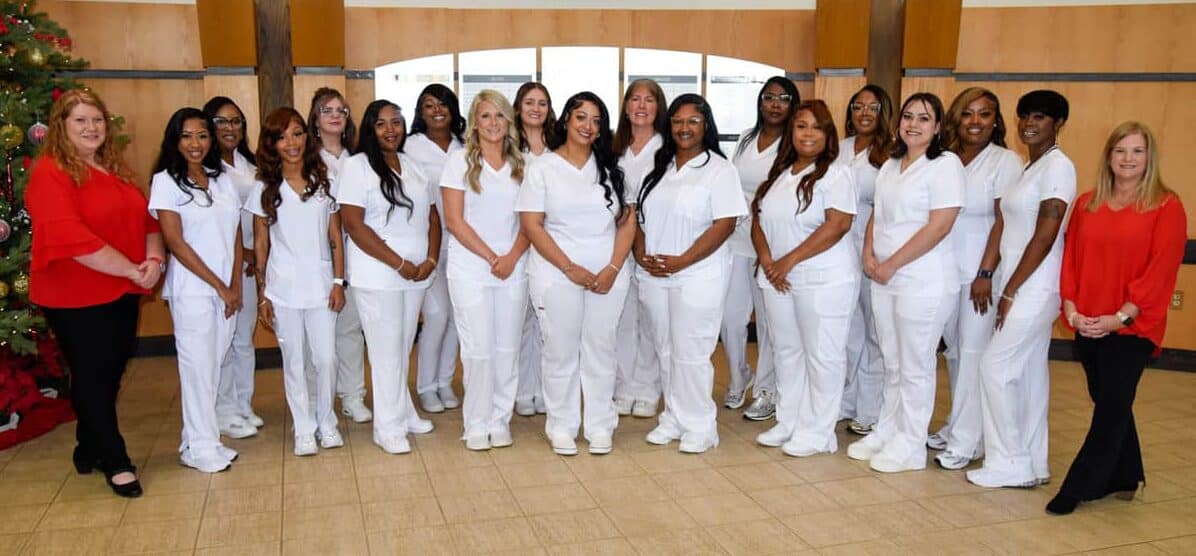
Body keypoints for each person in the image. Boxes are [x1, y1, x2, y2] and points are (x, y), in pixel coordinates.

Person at [27, 89, 163, 497]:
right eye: (80, 121)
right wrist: (131, 270)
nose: (91, 128)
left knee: (111, 370)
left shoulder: (113, 170)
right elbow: (70, 237)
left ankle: (88, 444)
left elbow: (149, 223)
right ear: (61, 127)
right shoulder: (51, 172)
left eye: (97, 120)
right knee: (92, 374)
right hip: (76, 294)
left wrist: (152, 263)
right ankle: (115, 459)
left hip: (123, 288)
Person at [1047, 121, 1186, 515]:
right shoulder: (1088, 203)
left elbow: (1161, 270)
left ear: (1149, 158)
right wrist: (1071, 308)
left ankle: (1078, 487)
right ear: (1109, 156)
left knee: (1110, 407)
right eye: (1121, 151)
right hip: (1087, 319)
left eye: (1137, 151)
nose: (1128, 159)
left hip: (1132, 326)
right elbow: (1070, 259)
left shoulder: (1166, 206)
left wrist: (1121, 317)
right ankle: (1127, 474)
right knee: (1110, 400)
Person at [846, 92, 965, 473]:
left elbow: (940, 225)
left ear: (938, 127)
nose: (913, 124)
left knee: (915, 365)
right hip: (885, 276)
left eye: (924, 118)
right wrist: (869, 256)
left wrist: (892, 263)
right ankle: (888, 429)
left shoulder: (946, 165)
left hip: (922, 280)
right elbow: (876, 217)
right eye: (908, 116)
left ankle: (911, 444)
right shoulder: (891, 164)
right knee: (893, 360)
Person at [968, 89, 1076, 489]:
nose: (1029, 124)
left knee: (994, 366)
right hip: (1019, 282)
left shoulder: (1058, 168)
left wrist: (1010, 290)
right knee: (1029, 373)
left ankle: (1008, 460)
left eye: (1040, 118)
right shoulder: (1032, 168)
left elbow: (1045, 236)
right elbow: (1010, 228)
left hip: (1034, 286)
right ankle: (1033, 460)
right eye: (1024, 116)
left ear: (1058, 124)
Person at [516, 92, 634, 456]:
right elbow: (532, 225)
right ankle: (562, 426)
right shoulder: (542, 168)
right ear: (566, 119)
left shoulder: (612, 168)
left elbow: (628, 223)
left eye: (596, 120)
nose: (588, 126)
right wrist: (570, 268)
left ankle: (600, 425)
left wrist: (613, 268)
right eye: (581, 117)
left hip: (608, 275)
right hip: (557, 274)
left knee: (601, 347)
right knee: (560, 350)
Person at [636, 94, 747, 454]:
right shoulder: (662, 166)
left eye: (693, 121)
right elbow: (640, 217)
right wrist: (641, 255)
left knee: (692, 351)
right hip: (655, 275)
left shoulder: (719, 169)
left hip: (698, 275)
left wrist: (683, 260)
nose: (684, 128)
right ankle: (674, 417)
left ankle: (701, 425)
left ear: (706, 126)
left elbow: (725, 223)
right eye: (678, 121)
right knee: (666, 348)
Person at [753, 100, 857, 457]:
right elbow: (758, 218)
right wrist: (768, 260)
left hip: (823, 279)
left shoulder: (836, 173)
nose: (807, 133)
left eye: (816, 126)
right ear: (791, 132)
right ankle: (789, 420)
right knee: (787, 352)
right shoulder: (781, 172)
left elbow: (838, 224)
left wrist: (788, 261)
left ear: (828, 133)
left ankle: (817, 432)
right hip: (777, 278)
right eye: (800, 126)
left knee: (822, 356)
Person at [928, 87, 1023, 470]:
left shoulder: (1005, 161)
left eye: (984, 114)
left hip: (979, 275)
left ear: (996, 121)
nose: (975, 122)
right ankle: (958, 425)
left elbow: (1004, 220)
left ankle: (968, 443)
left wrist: (985, 272)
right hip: (944, 271)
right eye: (967, 113)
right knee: (953, 353)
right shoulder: (945, 159)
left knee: (972, 355)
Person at [337, 100, 438, 455]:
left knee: (401, 346)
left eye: (397, 122)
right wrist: (399, 263)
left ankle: (404, 411)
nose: (391, 130)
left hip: (415, 274)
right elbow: (353, 225)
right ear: (369, 128)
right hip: (378, 274)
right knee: (385, 352)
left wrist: (430, 258)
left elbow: (432, 216)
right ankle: (388, 427)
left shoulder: (411, 164)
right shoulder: (356, 166)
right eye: (382, 124)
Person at [148, 107, 244, 473]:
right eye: (187, 136)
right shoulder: (165, 181)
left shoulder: (221, 180)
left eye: (202, 135)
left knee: (213, 365)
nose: (195, 143)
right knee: (198, 369)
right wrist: (219, 286)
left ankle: (199, 440)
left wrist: (235, 284)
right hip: (193, 291)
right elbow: (175, 241)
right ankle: (201, 446)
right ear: (175, 139)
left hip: (227, 291)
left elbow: (235, 234)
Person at [246, 107, 345, 456]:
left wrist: (338, 281)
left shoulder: (324, 181)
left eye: (298, 133)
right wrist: (262, 295)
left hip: (321, 285)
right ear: (271, 144)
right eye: (282, 136)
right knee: (294, 361)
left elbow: (335, 235)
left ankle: (327, 421)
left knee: (326, 358)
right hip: (282, 287)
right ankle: (304, 427)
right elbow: (261, 244)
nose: (292, 142)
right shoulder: (263, 188)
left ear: (307, 136)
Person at [442, 90, 530, 450]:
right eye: (485, 116)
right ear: (474, 122)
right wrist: (491, 256)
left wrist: (510, 257)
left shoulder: (524, 165)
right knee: (478, 350)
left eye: (499, 116)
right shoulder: (458, 161)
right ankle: (476, 423)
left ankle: (499, 419)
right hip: (470, 269)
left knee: (507, 348)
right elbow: (454, 220)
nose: (493, 123)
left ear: (509, 121)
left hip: (514, 267)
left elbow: (533, 221)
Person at [723, 76, 800, 421]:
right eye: (769, 97)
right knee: (731, 317)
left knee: (770, 322)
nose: (775, 104)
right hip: (737, 239)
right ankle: (740, 376)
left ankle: (768, 390)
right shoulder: (745, 139)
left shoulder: (795, 142)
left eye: (783, 98)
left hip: (772, 243)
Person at [307, 87, 372, 424]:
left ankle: (352, 394)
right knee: (317, 336)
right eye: (327, 110)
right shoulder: (305, 159)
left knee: (350, 329)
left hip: (354, 253)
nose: (335, 115)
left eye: (341, 110)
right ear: (315, 120)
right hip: (316, 256)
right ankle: (317, 399)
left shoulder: (358, 159)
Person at [202, 96, 261, 437]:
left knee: (243, 338)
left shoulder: (246, 163)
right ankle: (222, 410)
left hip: (250, 264)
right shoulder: (203, 168)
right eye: (222, 122)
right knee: (222, 340)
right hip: (220, 265)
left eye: (236, 121)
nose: (230, 128)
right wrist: (246, 253)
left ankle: (243, 403)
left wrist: (256, 255)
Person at [405, 84, 465, 414]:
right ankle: (426, 385)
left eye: (443, 104)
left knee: (458, 317)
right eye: (429, 105)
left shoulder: (464, 145)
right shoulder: (410, 147)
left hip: (461, 245)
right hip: (427, 244)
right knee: (438, 315)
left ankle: (445, 381)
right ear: (420, 111)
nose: (437, 110)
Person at [837, 85, 893, 436]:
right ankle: (847, 399)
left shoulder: (892, 153)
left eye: (873, 107)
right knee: (848, 330)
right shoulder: (839, 149)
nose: (865, 113)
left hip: (873, 246)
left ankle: (871, 408)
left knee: (875, 332)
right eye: (858, 106)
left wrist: (870, 250)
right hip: (838, 247)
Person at [613, 78, 667, 418]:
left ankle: (648, 388)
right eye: (635, 99)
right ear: (626, 106)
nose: (642, 106)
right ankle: (623, 385)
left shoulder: (667, 147)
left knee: (650, 318)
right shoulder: (612, 146)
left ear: (658, 107)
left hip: (653, 241)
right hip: (615, 242)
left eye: (649, 100)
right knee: (620, 318)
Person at [512, 82, 557, 417]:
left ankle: (543, 390)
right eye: (530, 102)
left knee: (547, 322)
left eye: (542, 103)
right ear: (518, 106)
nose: (536, 109)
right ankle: (521, 391)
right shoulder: (506, 146)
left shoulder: (558, 147)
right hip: (513, 242)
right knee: (519, 324)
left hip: (548, 243)